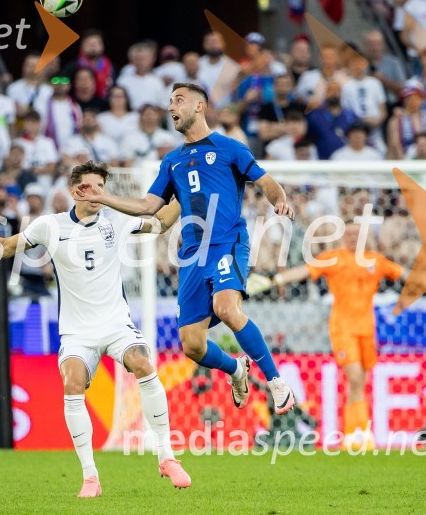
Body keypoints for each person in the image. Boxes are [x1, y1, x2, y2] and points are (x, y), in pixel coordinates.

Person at [0, 160, 191, 497]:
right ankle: (90, 477)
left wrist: (187, 193)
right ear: (74, 191)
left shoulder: (118, 220)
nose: (96, 194)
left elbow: (161, 223)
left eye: (101, 186)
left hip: (116, 324)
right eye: (89, 187)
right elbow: (3, 248)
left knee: (143, 364)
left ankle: (167, 457)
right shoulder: (49, 227)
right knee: (72, 384)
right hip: (77, 333)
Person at [74, 83, 297, 415]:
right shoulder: (172, 161)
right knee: (192, 345)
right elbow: (149, 206)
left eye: (178, 100)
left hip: (227, 242)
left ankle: (277, 382)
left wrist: (279, 199)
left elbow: (266, 182)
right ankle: (236, 369)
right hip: (192, 254)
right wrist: (103, 199)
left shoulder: (229, 148)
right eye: (169, 101)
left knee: (226, 308)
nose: (171, 107)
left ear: (199, 106)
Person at [268, 223, 407, 448]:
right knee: (354, 378)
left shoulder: (375, 260)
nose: (353, 238)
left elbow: (402, 273)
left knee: (359, 383)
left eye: (357, 234)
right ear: (343, 236)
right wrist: (279, 279)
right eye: (349, 234)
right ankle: (362, 433)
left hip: (367, 329)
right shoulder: (333, 258)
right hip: (343, 328)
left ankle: (353, 434)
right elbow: (305, 270)